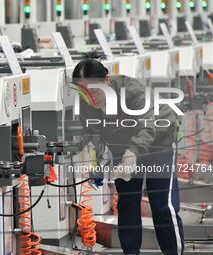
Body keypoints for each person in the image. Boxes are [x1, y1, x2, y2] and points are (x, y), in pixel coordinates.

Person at [73, 55, 184, 255]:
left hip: (159, 142)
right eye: (84, 92)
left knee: (162, 205)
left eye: (95, 90)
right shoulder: (86, 104)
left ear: (107, 80)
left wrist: (131, 156)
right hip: (122, 146)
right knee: (127, 203)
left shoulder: (131, 90)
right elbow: (95, 134)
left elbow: (148, 126)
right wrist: (97, 165)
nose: (91, 98)